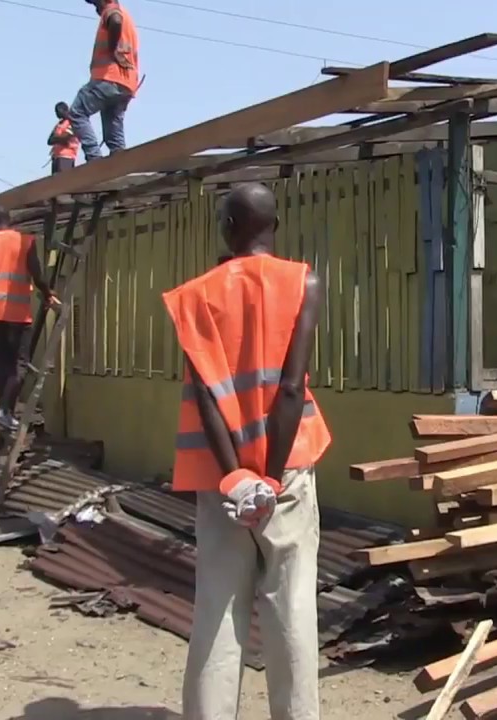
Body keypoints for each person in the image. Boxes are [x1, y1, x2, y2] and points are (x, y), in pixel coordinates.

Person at [169, 183, 329, 719]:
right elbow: (289, 388)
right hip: (288, 470)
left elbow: (208, 395)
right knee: (293, 610)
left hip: (221, 478)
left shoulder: (196, 295)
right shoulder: (302, 281)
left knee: (216, 611)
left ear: (228, 228)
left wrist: (239, 476)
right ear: (273, 225)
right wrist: (271, 477)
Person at [0, 206, 56, 431]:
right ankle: (4, 410)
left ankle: (4, 411)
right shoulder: (24, 241)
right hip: (16, 313)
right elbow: (37, 274)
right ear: (10, 220)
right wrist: (47, 294)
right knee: (19, 365)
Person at [70, 0, 140, 161]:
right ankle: (119, 161)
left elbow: (115, 20)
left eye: (96, 4)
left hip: (109, 77)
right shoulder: (127, 16)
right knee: (113, 130)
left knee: (77, 111)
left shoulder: (111, 9)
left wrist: (113, 49)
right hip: (126, 83)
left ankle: (94, 157)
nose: (97, 10)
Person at [48, 101, 80, 175]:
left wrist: (56, 138)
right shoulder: (59, 124)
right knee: (55, 183)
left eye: (59, 111)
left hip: (66, 157)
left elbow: (65, 138)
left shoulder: (71, 122)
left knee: (63, 180)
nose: (57, 113)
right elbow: (49, 141)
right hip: (56, 157)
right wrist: (58, 138)